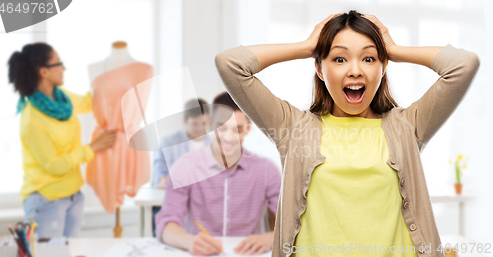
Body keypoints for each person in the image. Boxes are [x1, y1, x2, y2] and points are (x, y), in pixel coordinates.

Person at [215, 10, 480, 257]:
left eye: (369, 58)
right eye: (339, 58)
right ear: (319, 69)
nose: (355, 70)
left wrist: (394, 50)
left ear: (383, 67)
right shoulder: (293, 128)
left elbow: (463, 66)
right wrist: (307, 47)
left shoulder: (407, 126)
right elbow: (230, 64)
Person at [8, 42, 117, 238]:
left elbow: (87, 103)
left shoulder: (61, 98)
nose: (63, 68)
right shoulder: (32, 119)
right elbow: (55, 165)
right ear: (44, 71)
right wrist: (92, 147)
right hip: (45, 199)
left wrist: (111, 79)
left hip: (73, 196)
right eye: (58, 63)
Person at [155, 92, 282, 256]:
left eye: (237, 129)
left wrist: (271, 238)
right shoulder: (185, 167)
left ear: (248, 128)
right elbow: (165, 224)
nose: (228, 138)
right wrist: (189, 241)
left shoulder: (266, 170)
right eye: (221, 128)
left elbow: (291, 221)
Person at [150, 98, 212, 236]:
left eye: (204, 123)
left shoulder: (215, 146)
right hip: (172, 205)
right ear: (185, 121)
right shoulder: (168, 143)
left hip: (204, 209)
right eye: (195, 124)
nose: (200, 129)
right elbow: (160, 180)